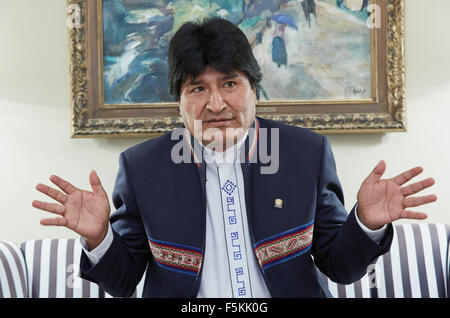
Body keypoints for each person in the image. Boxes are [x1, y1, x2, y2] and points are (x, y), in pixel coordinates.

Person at [32, 17, 436, 298]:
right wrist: (98, 237)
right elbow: (123, 281)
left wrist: (364, 223)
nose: (216, 103)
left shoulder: (305, 153)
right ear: (179, 102)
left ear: (253, 91)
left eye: (229, 83)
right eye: (197, 89)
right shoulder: (142, 167)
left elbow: (341, 266)